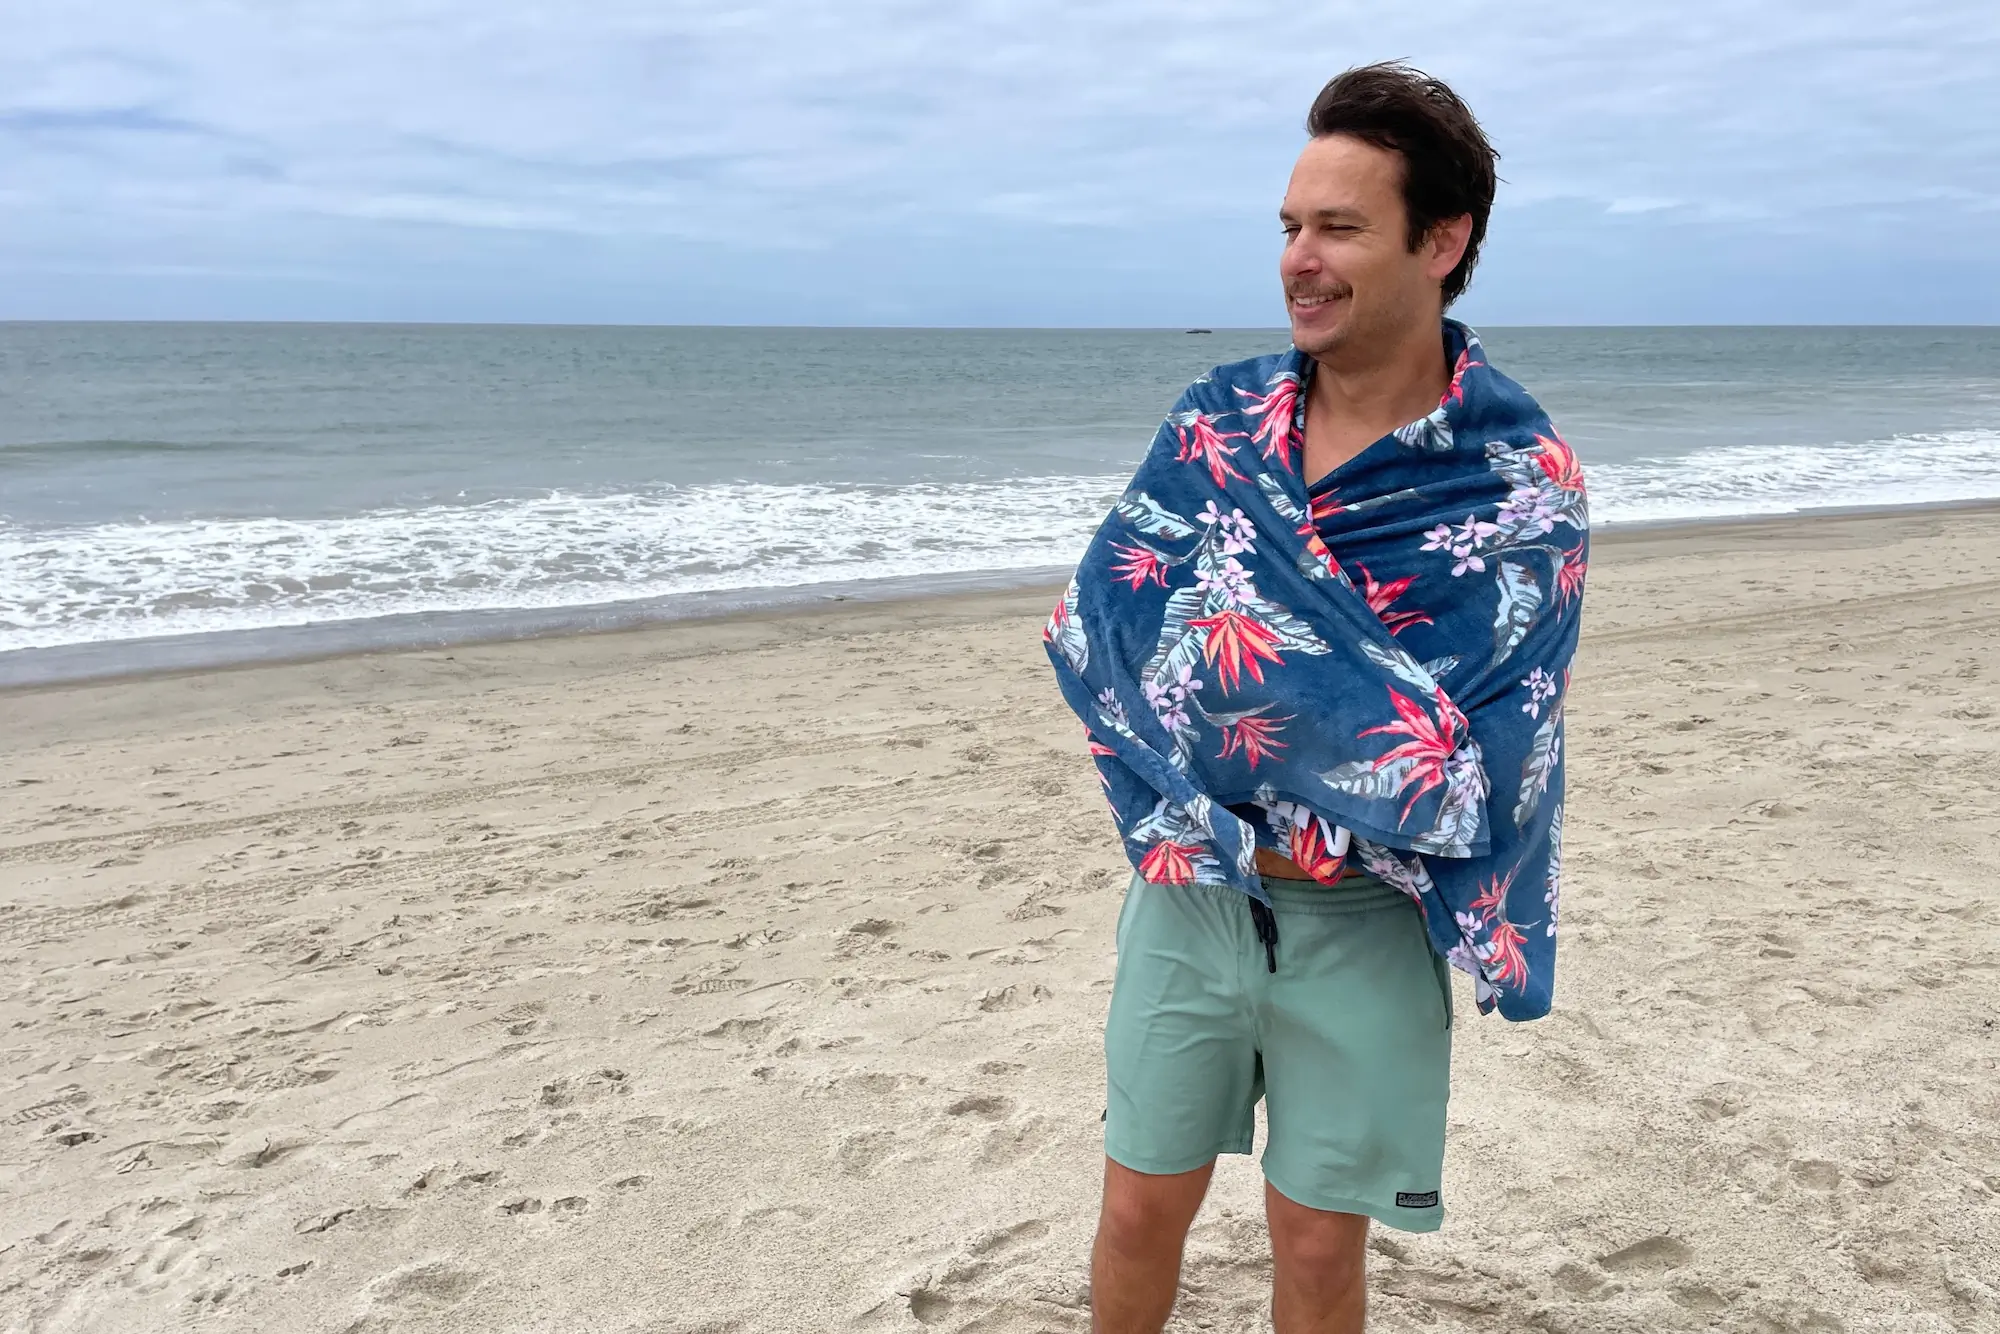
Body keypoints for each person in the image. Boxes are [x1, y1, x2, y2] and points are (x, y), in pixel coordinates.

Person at [1042, 62, 1589, 1333]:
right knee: (1134, 1208)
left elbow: (1493, 745)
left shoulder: (1516, 479)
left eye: (1338, 227)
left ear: (1439, 241)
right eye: (1290, 226)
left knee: (1314, 1246)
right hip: (1195, 890)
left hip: (1365, 921)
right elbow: (1108, 622)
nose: (1300, 257)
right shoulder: (1215, 421)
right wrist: (1222, 780)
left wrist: (1292, 742)